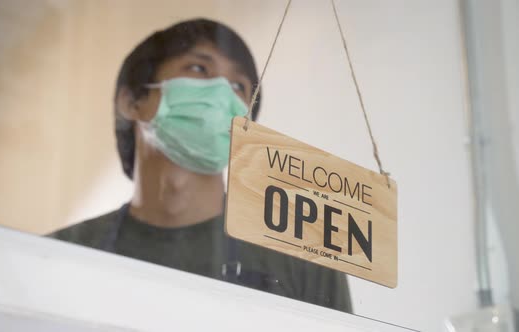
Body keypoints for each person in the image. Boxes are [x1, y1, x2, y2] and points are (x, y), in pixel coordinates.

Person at [51, 18, 351, 313]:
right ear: (132, 101)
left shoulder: (304, 257)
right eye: (198, 68)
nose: (221, 93)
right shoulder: (59, 254)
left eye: (238, 86)